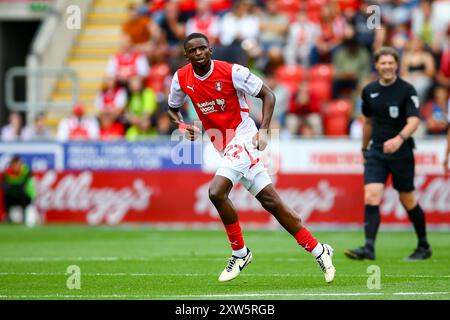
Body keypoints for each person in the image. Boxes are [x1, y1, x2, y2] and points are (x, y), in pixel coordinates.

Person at [167, 33, 335, 283]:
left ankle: (240, 253)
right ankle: (320, 250)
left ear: (211, 50)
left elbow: (268, 94)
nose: (199, 53)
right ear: (186, 55)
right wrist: (181, 126)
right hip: (222, 145)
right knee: (272, 203)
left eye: (203, 48)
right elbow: (172, 108)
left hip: (244, 137)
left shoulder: (232, 71)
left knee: (215, 192)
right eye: (193, 50)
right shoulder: (181, 78)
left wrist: (264, 129)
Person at [344, 47, 432, 261]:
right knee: (371, 194)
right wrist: (364, 148)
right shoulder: (369, 90)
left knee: (407, 199)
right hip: (377, 151)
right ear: (377, 65)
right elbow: (368, 122)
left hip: (402, 151)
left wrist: (399, 139)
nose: (387, 67)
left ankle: (423, 245)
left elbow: (414, 120)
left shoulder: (407, 90)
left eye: (390, 63)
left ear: (396, 65)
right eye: (383, 63)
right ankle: (369, 248)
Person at [2, 155, 38, 226]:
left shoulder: (26, 171)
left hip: (26, 195)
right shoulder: (7, 172)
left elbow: (24, 184)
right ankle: (8, 217)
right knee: (6, 196)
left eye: (18, 164)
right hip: (14, 195)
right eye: (14, 164)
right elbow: (4, 184)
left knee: (22, 194)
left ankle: (25, 217)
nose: (16, 166)